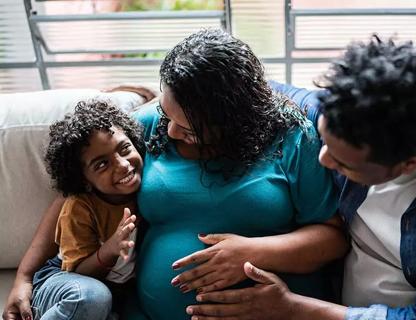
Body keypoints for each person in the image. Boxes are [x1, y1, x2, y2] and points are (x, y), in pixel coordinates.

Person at [3, 29, 348, 320]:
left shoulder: (291, 138)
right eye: (168, 117)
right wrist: (25, 275)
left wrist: (251, 252)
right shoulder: (153, 125)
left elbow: (332, 237)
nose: (170, 133)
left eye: (189, 129)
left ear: (235, 120)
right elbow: (75, 188)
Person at [185, 36, 416, 319]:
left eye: (343, 162)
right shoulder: (344, 111)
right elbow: (245, 91)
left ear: (410, 161)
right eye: (325, 142)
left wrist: (291, 309)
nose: (323, 160)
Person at [30, 101, 142, 320]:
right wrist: (110, 249)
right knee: (93, 297)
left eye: (125, 149)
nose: (122, 165)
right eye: (101, 165)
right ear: (84, 181)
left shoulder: (146, 189)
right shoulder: (80, 208)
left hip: (115, 293)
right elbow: (78, 272)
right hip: (65, 282)